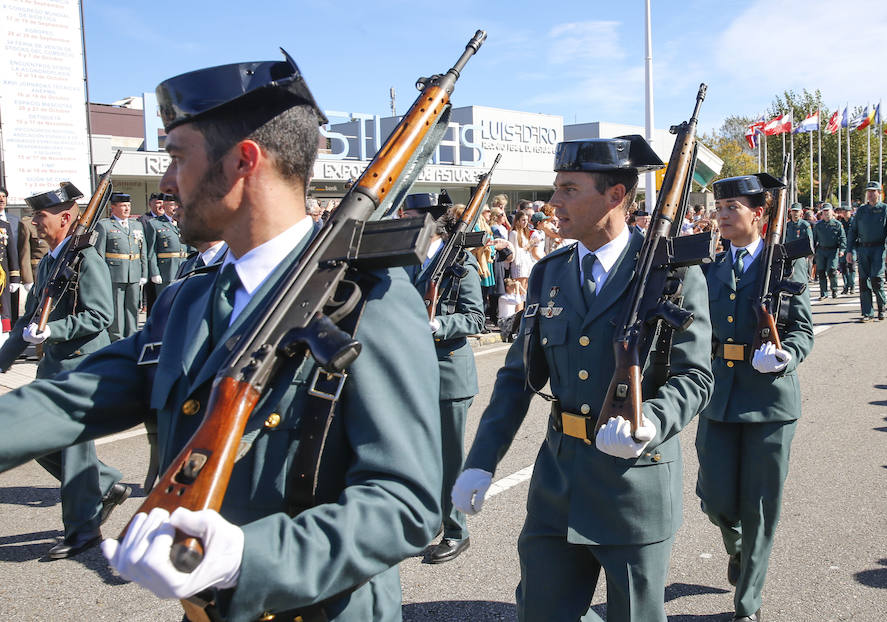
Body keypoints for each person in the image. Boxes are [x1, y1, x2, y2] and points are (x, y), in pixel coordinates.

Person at [0, 52, 441, 622]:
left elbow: (404, 504)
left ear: (242, 162)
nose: (165, 182)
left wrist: (246, 560)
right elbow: (76, 394)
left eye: (177, 158)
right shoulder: (190, 298)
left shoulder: (369, 300)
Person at [451, 136, 713, 622]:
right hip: (558, 482)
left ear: (615, 196)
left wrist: (649, 420)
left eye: (569, 189)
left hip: (633, 486)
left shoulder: (673, 274)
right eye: (556, 189)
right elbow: (516, 378)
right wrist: (482, 460)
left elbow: (694, 377)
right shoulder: (550, 273)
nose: (554, 203)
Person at [697, 174, 814, 622]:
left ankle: (748, 604)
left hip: (769, 400)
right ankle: (738, 547)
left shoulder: (784, 263)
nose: (722, 215)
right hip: (719, 397)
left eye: (731, 208)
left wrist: (786, 356)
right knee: (716, 499)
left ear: (758, 214)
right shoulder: (710, 264)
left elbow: (801, 329)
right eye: (719, 207)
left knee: (760, 507)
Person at [0, 182, 130, 559]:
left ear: (66, 218)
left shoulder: (86, 258)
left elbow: (100, 315)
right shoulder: (53, 261)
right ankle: (105, 483)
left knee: (74, 450)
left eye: (40, 216)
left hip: (82, 368)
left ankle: (83, 531)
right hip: (54, 368)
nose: (35, 222)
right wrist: (5, 358)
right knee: (36, 440)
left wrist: (53, 330)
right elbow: (28, 316)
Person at [400, 194, 484, 564]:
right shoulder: (406, 260)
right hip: (414, 373)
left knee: (450, 459)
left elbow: (475, 319)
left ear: (431, 220)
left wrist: (438, 324)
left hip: (449, 374)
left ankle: (456, 531)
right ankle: (431, 521)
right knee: (421, 456)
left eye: (412, 215)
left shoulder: (459, 263)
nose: (405, 219)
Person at [94, 192, 148, 340]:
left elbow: (143, 250)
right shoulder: (104, 225)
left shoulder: (136, 225)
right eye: (123, 205)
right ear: (113, 207)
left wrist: (144, 273)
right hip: (115, 274)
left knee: (132, 307)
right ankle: (117, 338)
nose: (127, 209)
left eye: (129, 206)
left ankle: (132, 336)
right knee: (117, 308)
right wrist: (101, 276)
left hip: (134, 272)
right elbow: (99, 254)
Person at [846, 181, 887, 321]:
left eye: (873, 191)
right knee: (863, 281)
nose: (870, 194)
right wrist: (849, 250)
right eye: (869, 191)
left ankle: (881, 307)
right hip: (863, 249)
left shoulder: (886, 210)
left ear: (879, 193)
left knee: (876, 279)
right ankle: (867, 313)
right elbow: (853, 231)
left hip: (879, 249)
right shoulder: (861, 210)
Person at [146, 193, 189, 296]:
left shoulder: (184, 222)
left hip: (184, 268)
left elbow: (192, 247)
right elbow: (151, 251)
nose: (174, 208)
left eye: (176, 205)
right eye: (171, 205)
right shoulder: (155, 224)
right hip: (166, 270)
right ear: (164, 206)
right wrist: (155, 272)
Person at [813, 204, 846, 300]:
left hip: (833, 250)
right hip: (821, 250)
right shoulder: (818, 225)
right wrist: (812, 250)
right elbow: (814, 239)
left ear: (832, 212)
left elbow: (842, 237)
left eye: (828, 211)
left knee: (832, 270)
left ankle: (834, 290)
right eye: (824, 211)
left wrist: (842, 249)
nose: (826, 213)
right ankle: (823, 293)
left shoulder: (837, 224)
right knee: (821, 271)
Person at [0, 187, 22, 333]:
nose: (1, 200)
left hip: (3, 275)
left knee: (6, 308)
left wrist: (15, 277)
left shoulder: (8, 223)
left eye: (3, 196)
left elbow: (13, 251)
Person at [836, 205, 856, 294]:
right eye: (843, 212)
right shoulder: (840, 223)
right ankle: (846, 285)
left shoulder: (854, 222)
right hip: (843, 247)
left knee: (851, 266)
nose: (844, 213)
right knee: (843, 267)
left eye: (846, 211)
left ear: (850, 212)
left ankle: (852, 285)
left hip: (853, 246)